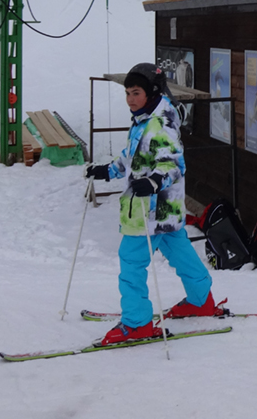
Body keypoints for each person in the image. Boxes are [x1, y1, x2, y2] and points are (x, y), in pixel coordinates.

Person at [86, 63, 217, 345]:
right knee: (180, 252)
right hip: (166, 210)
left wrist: (155, 182)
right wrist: (108, 170)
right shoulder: (146, 118)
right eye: (127, 93)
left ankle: (137, 324)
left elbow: (174, 164)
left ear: (152, 92)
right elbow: (134, 155)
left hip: (149, 209)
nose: (131, 99)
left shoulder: (161, 123)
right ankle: (201, 299)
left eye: (136, 92)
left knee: (131, 262)